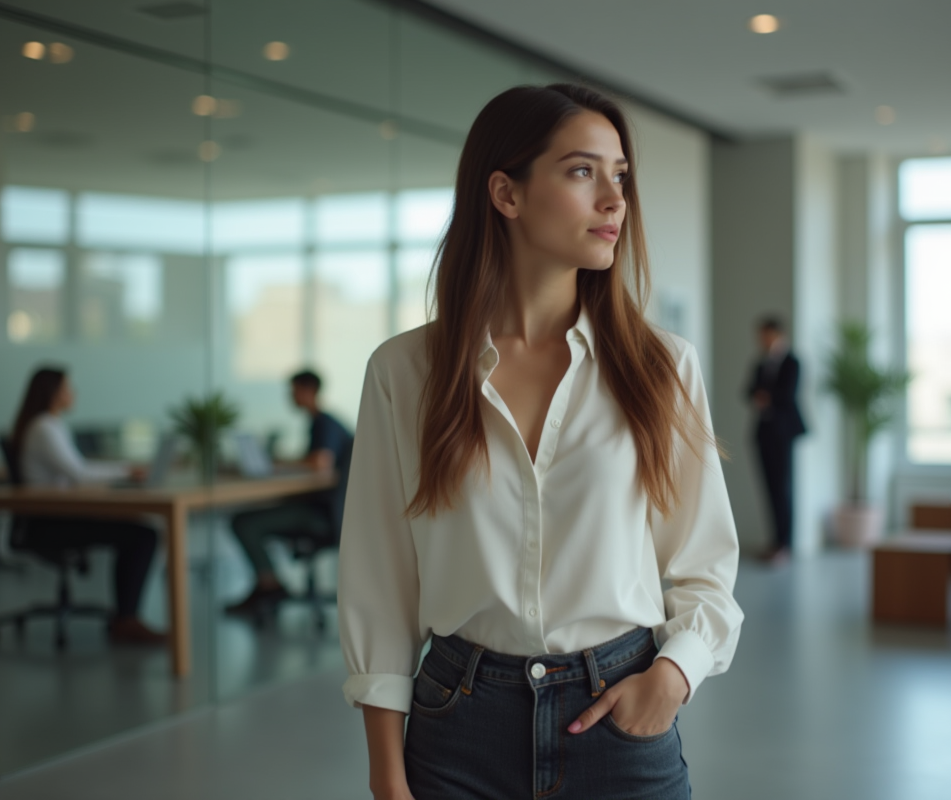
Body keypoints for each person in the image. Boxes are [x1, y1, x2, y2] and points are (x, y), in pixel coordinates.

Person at [338, 84, 742, 800]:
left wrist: (671, 678)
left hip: (619, 716)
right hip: (456, 726)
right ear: (507, 193)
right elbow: (380, 583)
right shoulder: (405, 372)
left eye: (620, 175)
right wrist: (386, 774)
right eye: (583, 171)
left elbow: (705, 564)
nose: (615, 200)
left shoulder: (661, 367)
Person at [11, 367, 165, 644]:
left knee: (138, 531)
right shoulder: (44, 427)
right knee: (143, 536)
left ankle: (126, 617)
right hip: (50, 523)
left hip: (60, 515)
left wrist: (123, 471)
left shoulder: (51, 424)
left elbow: (78, 469)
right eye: (68, 388)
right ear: (53, 393)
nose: (73, 393)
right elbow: (78, 474)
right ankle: (126, 620)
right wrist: (126, 473)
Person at [224, 370, 353, 614]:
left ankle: (269, 585)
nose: (290, 397)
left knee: (243, 522)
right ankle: (267, 584)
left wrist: (277, 466)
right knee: (251, 518)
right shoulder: (324, 422)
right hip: (332, 511)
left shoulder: (324, 423)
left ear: (308, 391)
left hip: (323, 515)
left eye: (293, 391)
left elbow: (320, 462)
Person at [745, 315, 806, 563]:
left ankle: (785, 544)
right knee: (769, 488)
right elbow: (748, 391)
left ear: (777, 335)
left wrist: (766, 395)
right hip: (763, 433)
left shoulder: (792, 362)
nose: (762, 340)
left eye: (766, 335)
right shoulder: (760, 363)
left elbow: (788, 395)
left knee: (783, 488)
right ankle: (774, 542)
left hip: (783, 434)